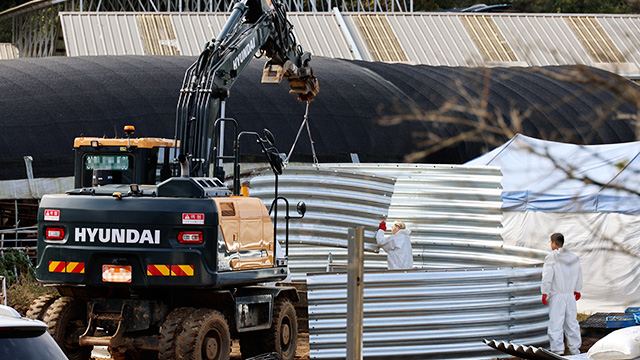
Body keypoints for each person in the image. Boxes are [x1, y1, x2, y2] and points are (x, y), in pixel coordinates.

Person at [541, 232, 583, 355]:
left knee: (556, 322)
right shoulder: (574, 257)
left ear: (554, 243)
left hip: (557, 295)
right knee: (572, 322)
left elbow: (547, 277)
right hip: (570, 294)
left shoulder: (551, 257)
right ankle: (574, 349)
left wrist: (545, 292)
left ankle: (557, 350)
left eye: (551, 242)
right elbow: (579, 274)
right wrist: (577, 289)